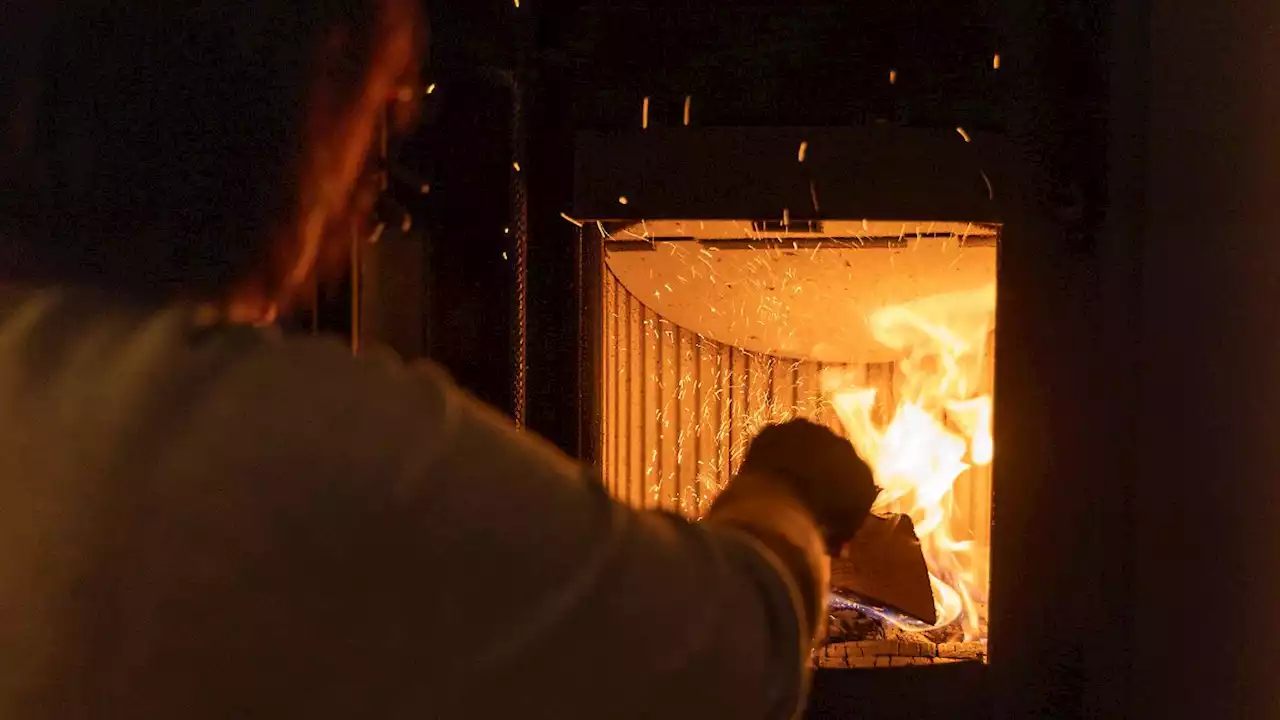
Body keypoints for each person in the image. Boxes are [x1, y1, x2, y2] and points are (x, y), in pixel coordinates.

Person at [0, 2, 880, 718]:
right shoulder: (287, 440)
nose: (385, 153)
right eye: (380, 103)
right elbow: (737, 657)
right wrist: (788, 489)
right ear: (279, 118)